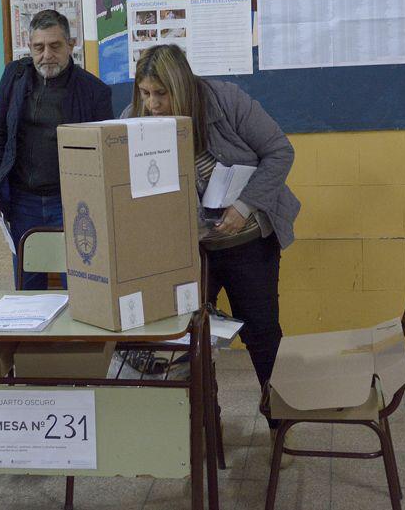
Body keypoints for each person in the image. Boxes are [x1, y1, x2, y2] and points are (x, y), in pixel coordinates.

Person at [122, 44, 300, 432]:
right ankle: (207, 430)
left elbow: (279, 152)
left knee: (263, 335)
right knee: (191, 341)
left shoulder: (225, 101)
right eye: (145, 92)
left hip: (247, 242)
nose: (152, 104)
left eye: (161, 93)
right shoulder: (132, 121)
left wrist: (245, 206)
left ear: (182, 86)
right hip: (188, 252)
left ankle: (280, 429)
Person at [0, 10, 113, 289]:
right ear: (30, 47)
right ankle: (33, 335)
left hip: (71, 201)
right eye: (38, 47)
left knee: (79, 280)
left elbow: (104, 154)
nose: (47, 55)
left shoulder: (94, 91)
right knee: (28, 282)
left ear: (71, 44)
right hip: (22, 200)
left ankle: (75, 334)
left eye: (55, 46)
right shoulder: (14, 76)